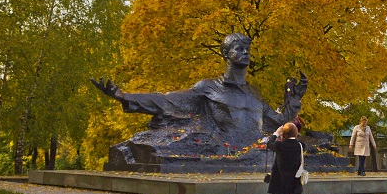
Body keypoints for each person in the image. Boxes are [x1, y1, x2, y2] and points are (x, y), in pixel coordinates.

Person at [90, 33, 284, 163]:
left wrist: (295, 99)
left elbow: (279, 122)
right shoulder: (208, 88)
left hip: (257, 157)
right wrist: (124, 96)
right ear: (225, 53)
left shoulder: (255, 93)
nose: (246, 53)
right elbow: (166, 100)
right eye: (239, 49)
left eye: (247, 50)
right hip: (222, 154)